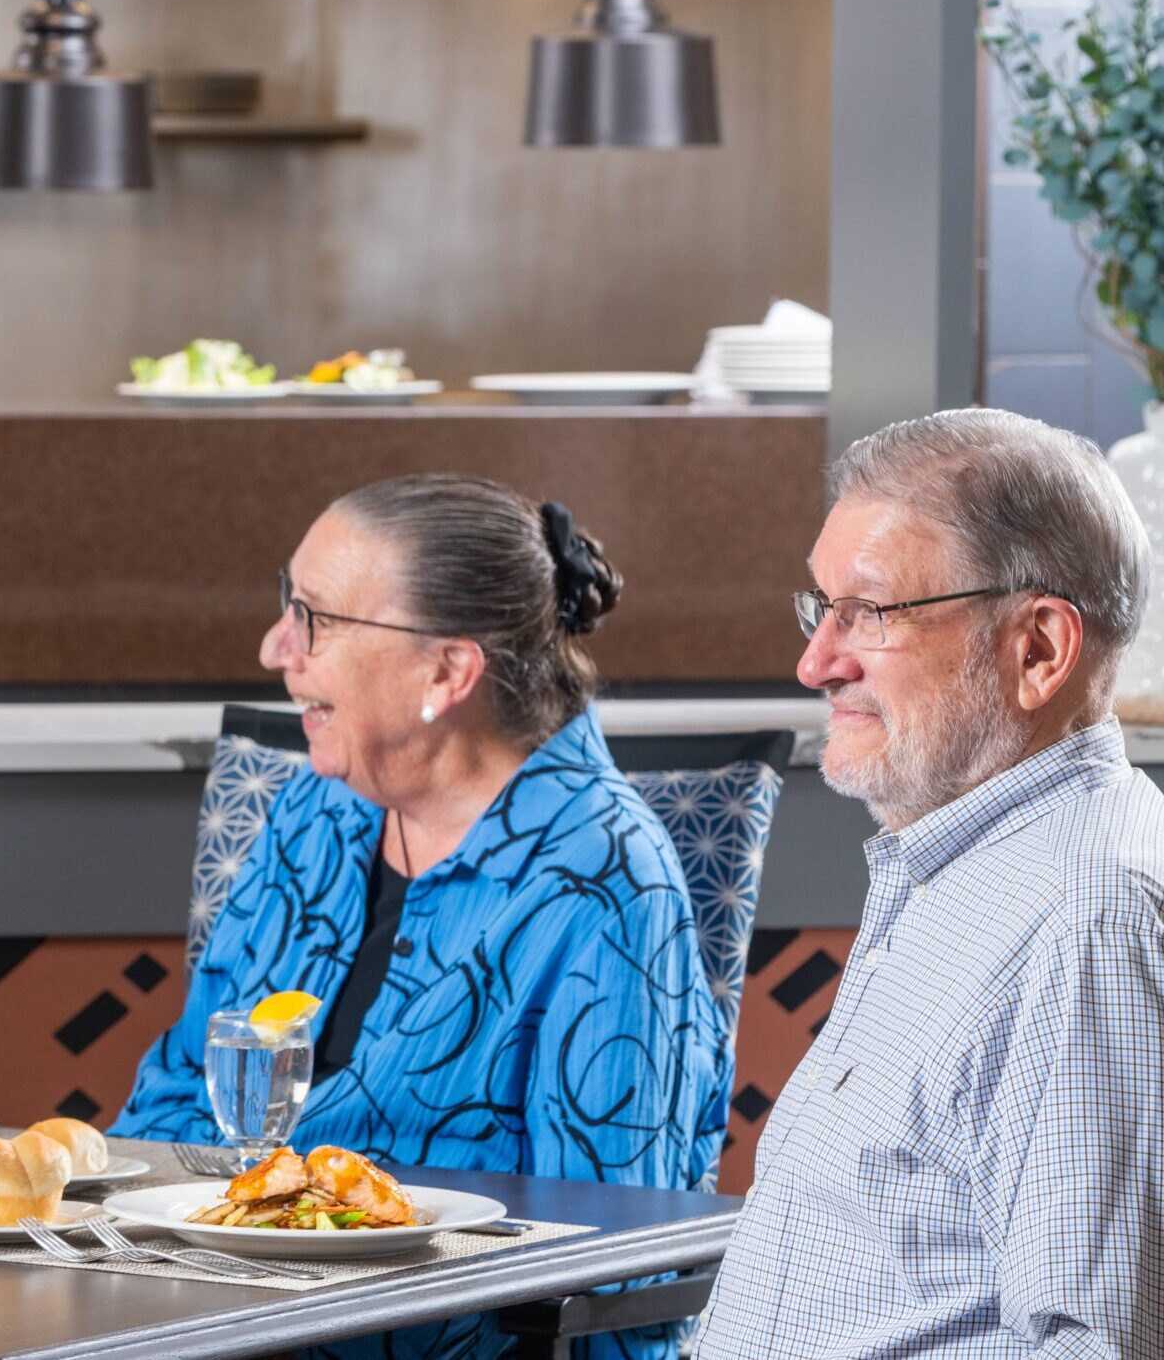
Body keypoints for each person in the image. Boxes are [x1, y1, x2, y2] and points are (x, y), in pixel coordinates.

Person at [114, 474, 727, 1360]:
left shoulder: (607, 884)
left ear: (447, 670)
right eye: (286, 606)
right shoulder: (313, 815)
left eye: (315, 618)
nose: (274, 647)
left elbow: (614, 1275)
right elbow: (170, 1101)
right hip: (201, 1329)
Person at [698, 409, 1164, 1358]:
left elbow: (1096, 1345)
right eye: (819, 608)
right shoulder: (956, 867)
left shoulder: (1086, 914)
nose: (815, 661)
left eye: (868, 613)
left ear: (1039, 651)